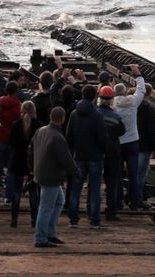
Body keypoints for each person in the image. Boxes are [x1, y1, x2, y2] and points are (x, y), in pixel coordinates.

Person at [31, 105, 78, 248]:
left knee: (58, 201)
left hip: (42, 172)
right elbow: (66, 159)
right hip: (51, 176)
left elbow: (30, 150)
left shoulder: (41, 131)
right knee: (45, 207)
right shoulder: (57, 137)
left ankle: (50, 233)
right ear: (63, 119)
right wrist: (76, 173)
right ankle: (40, 238)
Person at [64, 84, 107, 228]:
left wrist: (74, 150)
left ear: (82, 95)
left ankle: (73, 219)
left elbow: (68, 136)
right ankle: (94, 221)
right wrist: (103, 151)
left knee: (76, 188)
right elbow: (102, 138)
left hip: (79, 156)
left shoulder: (74, 114)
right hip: (95, 157)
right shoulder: (97, 115)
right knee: (94, 189)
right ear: (94, 97)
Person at [111, 67, 146, 211]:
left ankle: (118, 201)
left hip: (117, 143)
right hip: (132, 142)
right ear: (125, 92)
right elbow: (141, 91)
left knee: (118, 174)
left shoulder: (111, 105)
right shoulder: (132, 102)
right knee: (133, 173)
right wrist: (138, 76)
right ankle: (134, 202)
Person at [7, 100, 40, 227]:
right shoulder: (39, 126)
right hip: (33, 162)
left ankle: (14, 219)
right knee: (33, 192)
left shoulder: (15, 125)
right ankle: (34, 219)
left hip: (17, 161)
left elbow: (11, 144)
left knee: (16, 191)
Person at [95, 85, 125, 219]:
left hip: (96, 151)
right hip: (112, 152)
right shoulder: (115, 117)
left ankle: (93, 209)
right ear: (112, 100)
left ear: (99, 99)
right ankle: (111, 210)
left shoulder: (95, 115)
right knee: (111, 182)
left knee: (94, 181)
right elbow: (122, 131)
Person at [0, 80, 21, 209]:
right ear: (16, 91)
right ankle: (9, 198)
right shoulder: (19, 106)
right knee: (11, 171)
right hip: (13, 141)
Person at [134, 87, 155, 211]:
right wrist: (153, 146)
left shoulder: (132, 106)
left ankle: (132, 198)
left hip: (131, 144)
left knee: (133, 173)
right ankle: (139, 200)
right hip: (144, 146)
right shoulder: (150, 109)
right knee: (141, 174)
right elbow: (151, 130)